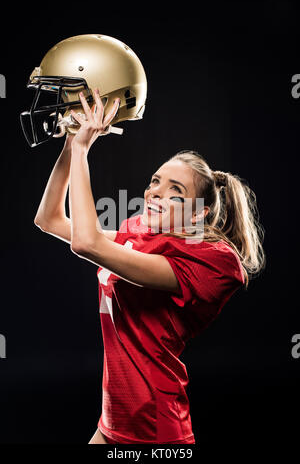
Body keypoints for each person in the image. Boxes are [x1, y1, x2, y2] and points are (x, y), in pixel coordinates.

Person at [34, 89, 265, 444]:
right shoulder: (137, 234)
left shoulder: (211, 262)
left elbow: (85, 242)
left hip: (155, 429)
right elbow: (49, 220)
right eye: (156, 181)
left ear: (199, 212)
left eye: (176, 190)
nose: (156, 191)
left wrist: (83, 150)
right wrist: (70, 142)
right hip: (113, 420)